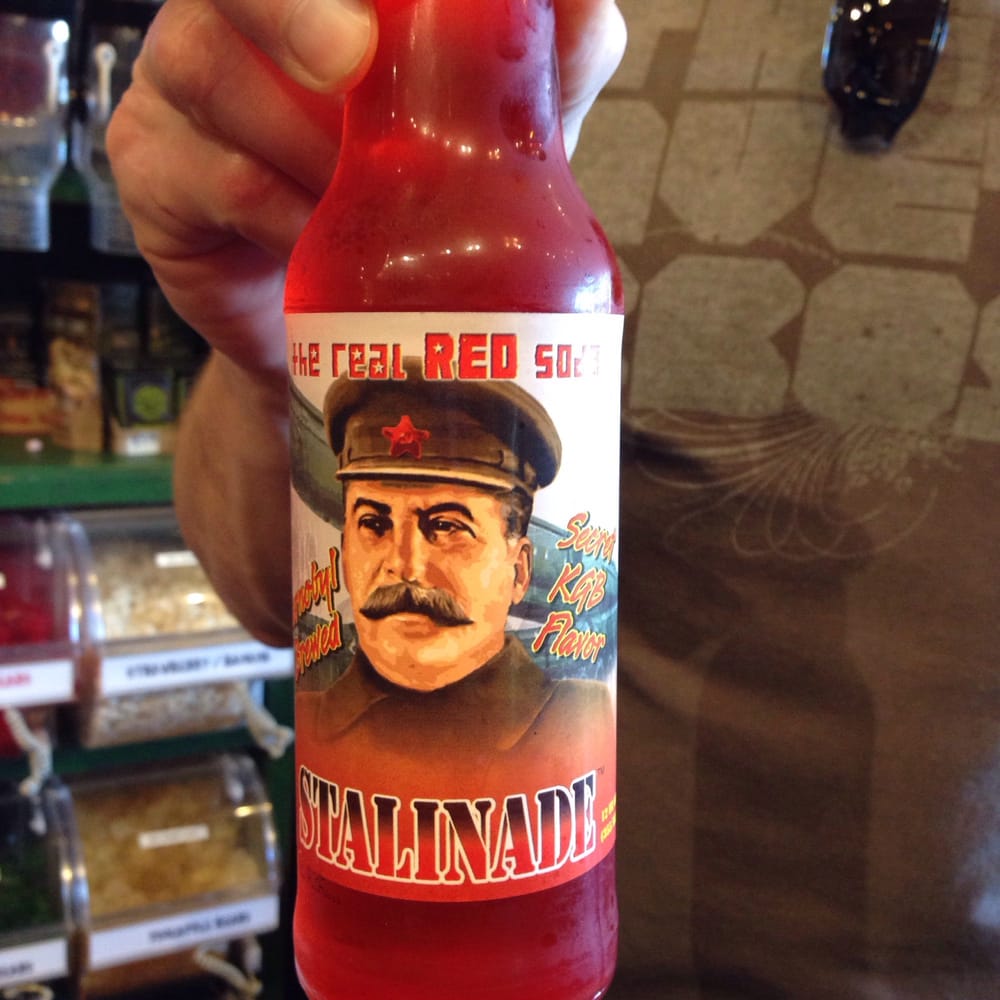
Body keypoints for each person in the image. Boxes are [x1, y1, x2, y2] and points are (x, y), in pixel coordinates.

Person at [109, 0, 1000, 997]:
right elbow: (261, 598)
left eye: (448, 525)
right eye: (370, 521)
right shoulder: (333, 695)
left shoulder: (560, 709)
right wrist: (261, 359)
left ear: (520, 558)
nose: (403, 567)